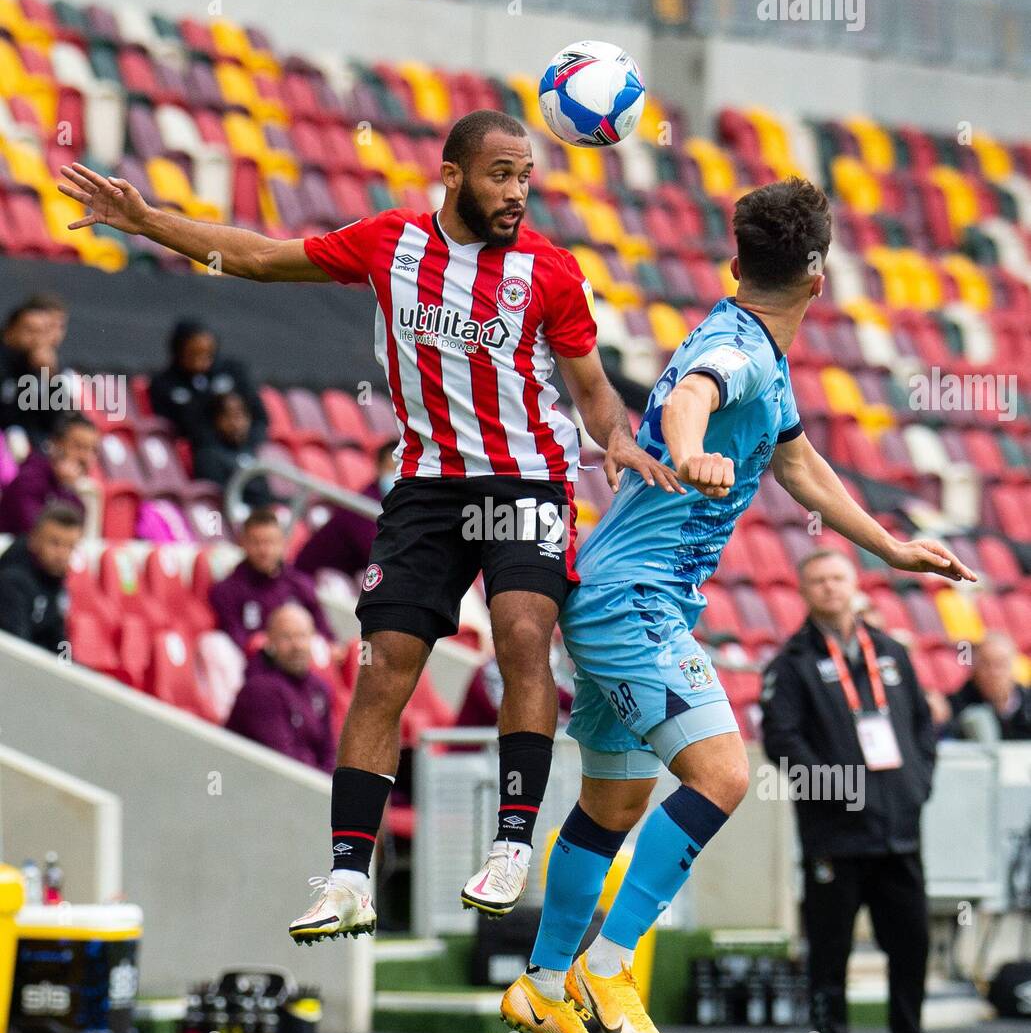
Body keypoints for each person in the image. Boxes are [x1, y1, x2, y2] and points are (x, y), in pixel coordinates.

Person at [57, 110, 672, 949]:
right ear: (452, 174)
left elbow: (593, 387)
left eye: (526, 175)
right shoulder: (389, 243)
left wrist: (619, 439)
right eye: (500, 173)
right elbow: (259, 258)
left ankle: (511, 844)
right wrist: (146, 220)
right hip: (425, 488)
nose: (517, 192)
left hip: (526, 477)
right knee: (382, 670)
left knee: (522, 635)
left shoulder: (551, 274)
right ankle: (348, 876)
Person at [497, 177, 975, 1033]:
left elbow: (798, 464)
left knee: (612, 804)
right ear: (818, 276)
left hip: (618, 597)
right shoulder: (738, 349)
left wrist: (889, 548)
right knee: (720, 775)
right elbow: (693, 400)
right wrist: (687, 448)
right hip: (631, 602)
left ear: (734, 264)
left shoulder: (755, 345)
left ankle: (544, 982)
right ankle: (608, 970)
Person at [760, 547, 965, 1033]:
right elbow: (782, 744)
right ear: (803, 591)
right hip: (835, 837)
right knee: (831, 954)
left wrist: (915, 787)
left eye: (837, 578)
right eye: (818, 580)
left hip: (899, 832)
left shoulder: (892, 653)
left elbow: (924, 729)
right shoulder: (792, 663)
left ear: (853, 585)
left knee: (911, 945)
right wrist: (840, 793)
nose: (829, 588)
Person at [226, 603, 336, 773]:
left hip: (310, 785)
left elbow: (329, 753)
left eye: (302, 636)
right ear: (269, 641)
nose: (297, 645)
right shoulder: (259, 690)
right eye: (286, 637)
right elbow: (284, 764)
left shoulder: (319, 689)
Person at [209, 507, 335, 651]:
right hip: (256, 668)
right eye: (256, 542)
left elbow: (326, 636)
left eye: (270, 542)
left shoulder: (300, 584)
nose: (264, 550)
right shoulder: (227, 591)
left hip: (303, 664)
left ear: (282, 544)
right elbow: (237, 640)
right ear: (242, 543)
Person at [148, 318, 268, 450]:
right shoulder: (163, 383)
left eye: (207, 353)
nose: (200, 361)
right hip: (201, 451)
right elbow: (174, 427)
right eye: (193, 354)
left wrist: (246, 444)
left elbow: (259, 416)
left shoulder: (234, 371)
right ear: (178, 351)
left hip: (244, 447)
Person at [294, 439, 395, 579]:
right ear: (378, 468)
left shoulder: (395, 504)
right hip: (313, 578)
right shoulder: (362, 506)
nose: (395, 476)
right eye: (390, 469)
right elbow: (378, 555)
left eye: (400, 471)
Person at [0, 502, 84, 654]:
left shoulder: (55, 580)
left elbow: (59, 640)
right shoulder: (10, 581)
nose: (62, 554)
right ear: (34, 540)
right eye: (55, 543)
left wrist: (68, 671)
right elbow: (17, 653)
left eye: (70, 546)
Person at [0, 413, 97, 535]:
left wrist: (66, 488)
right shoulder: (30, 478)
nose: (86, 457)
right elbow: (42, 536)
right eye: (79, 446)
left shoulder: (72, 492)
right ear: (55, 443)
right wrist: (65, 489)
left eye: (92, 449)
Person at [0, 294, 73, 448]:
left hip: (32, 445)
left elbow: (52, 422)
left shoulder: (40, 365)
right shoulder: (7, 361)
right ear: (11, 329)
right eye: (30, 331)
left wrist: (51, 376)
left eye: (42, 332)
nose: (37, 340)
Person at [192, 391, 274, 511]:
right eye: (228, 416)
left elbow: (265, 495)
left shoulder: (251, 450)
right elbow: (218, 501)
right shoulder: (207, 456)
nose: (236, 424)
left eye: (240, 416)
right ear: (215, 420)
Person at [946, 632, 1031, 741]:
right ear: (974, 669)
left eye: (1000, 664)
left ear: (1014, 667)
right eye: (986, 664)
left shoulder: (1027, 702)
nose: (994, 673)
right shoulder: (956, 704)